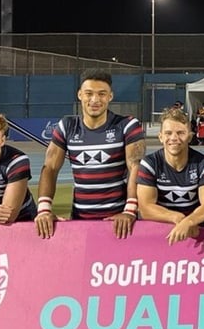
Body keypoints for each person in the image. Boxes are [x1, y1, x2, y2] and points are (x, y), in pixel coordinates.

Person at [35, 69, 146, 239]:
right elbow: (50, 168)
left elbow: (135, 166)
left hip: (119, 222)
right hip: (80, 220)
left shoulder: (127, 125)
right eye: (89, 93)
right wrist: (44, 209)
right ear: (80, 95)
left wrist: (130, 210)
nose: (95, 99)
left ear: (110, 96)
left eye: (102, 94)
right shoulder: (67, 126)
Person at [136, 108, 204, 244]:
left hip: (194, 226)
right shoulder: (149, 164)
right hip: (161, 227)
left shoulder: (203, 163)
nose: (174, 138)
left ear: (190, 137)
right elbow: (145, 208)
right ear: (160, 137)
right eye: (168, 133)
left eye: (181, 133)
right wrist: (177, 218)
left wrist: (189, 221)